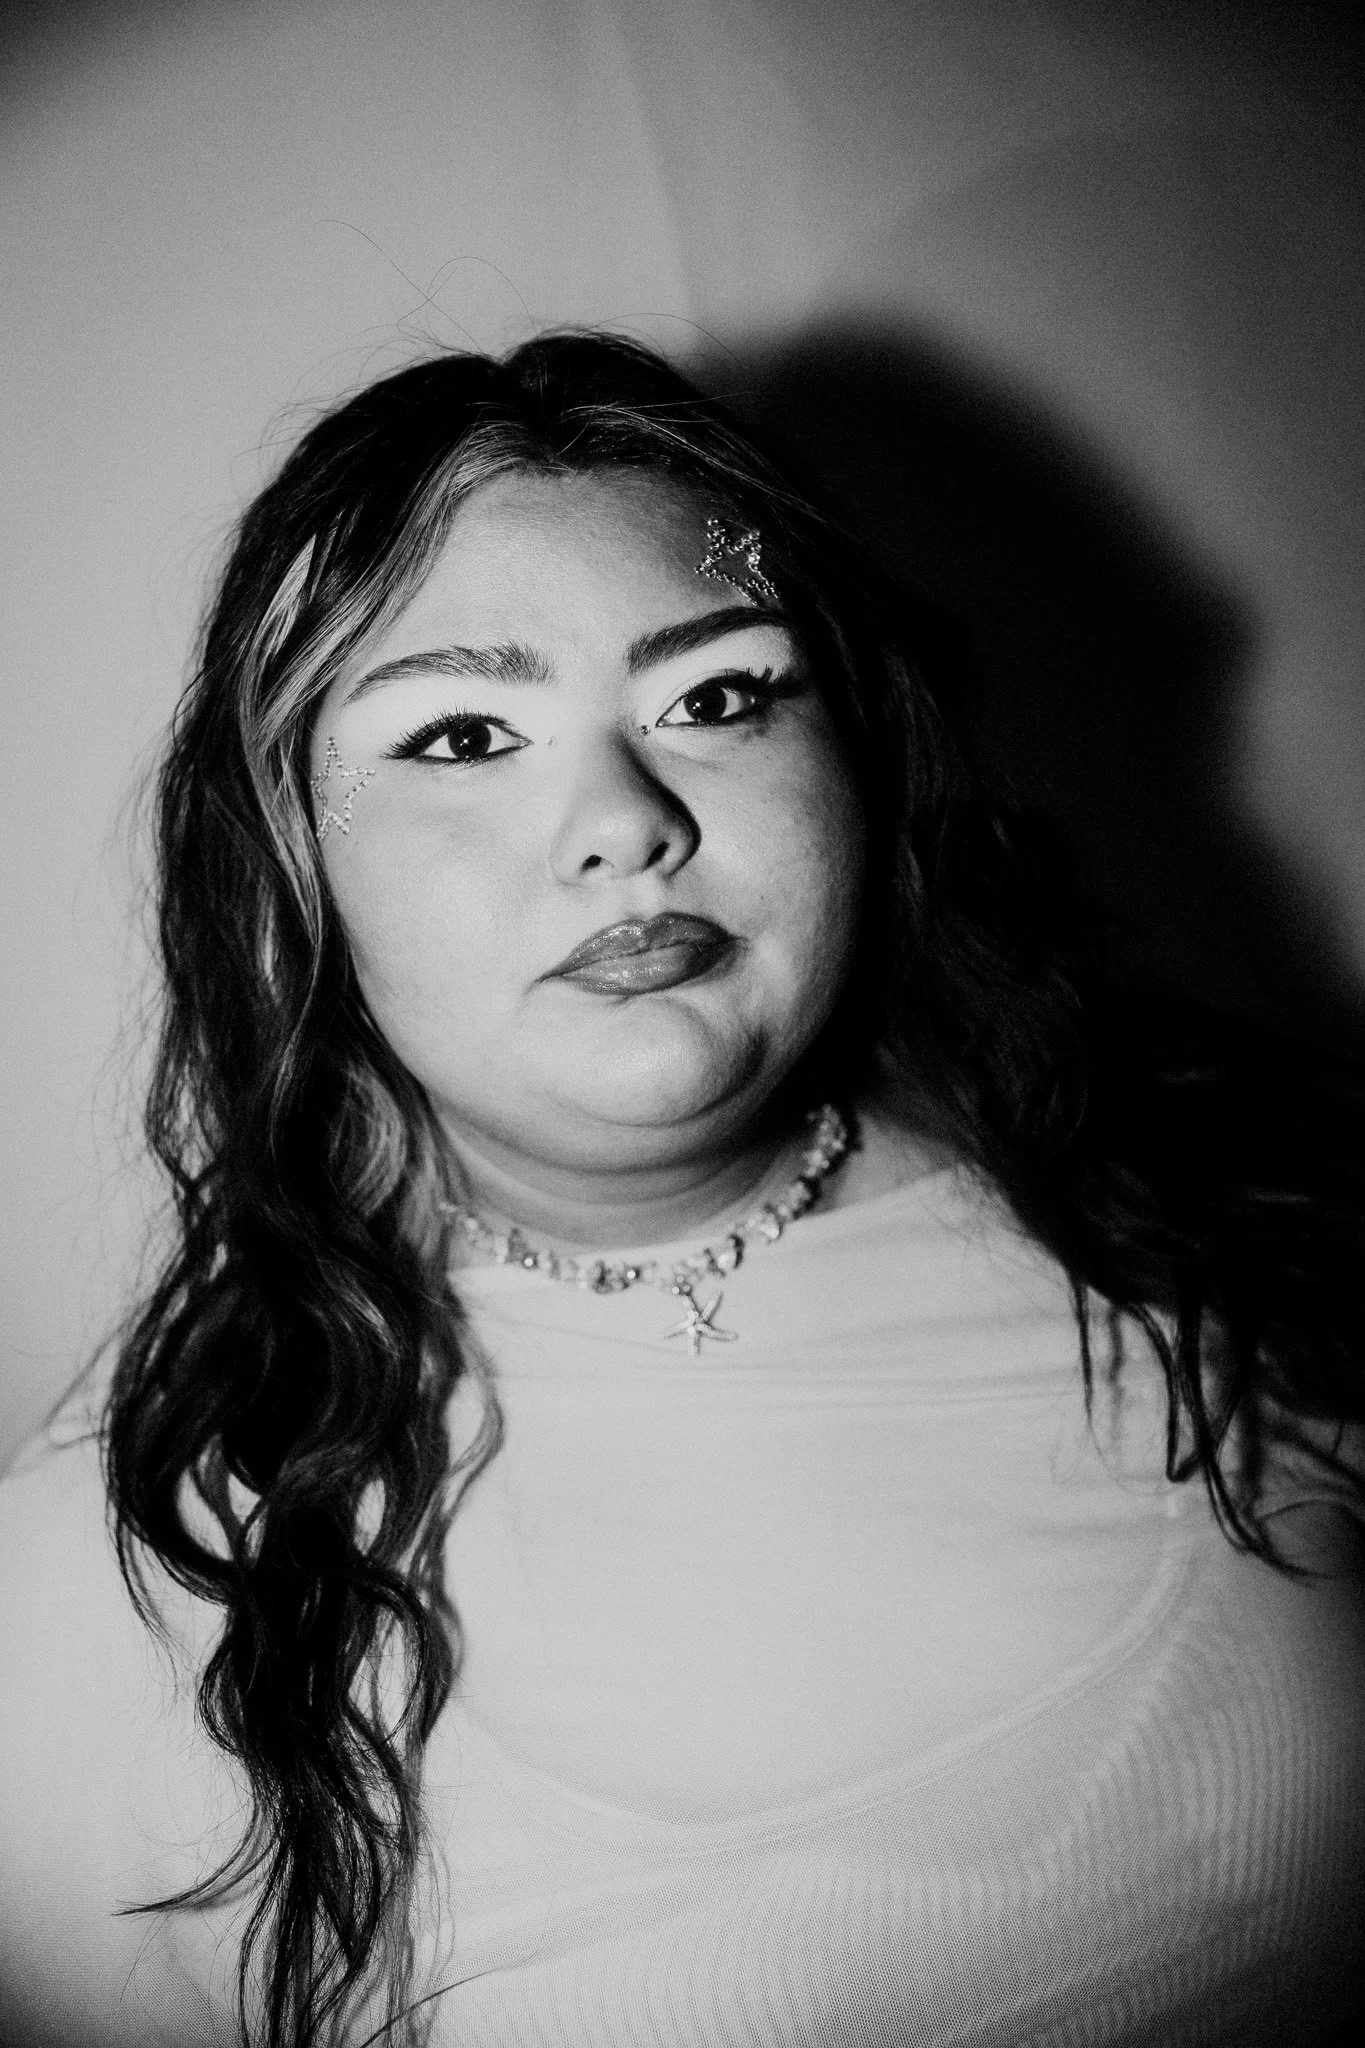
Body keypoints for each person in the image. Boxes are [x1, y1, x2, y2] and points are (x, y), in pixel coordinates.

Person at [1, 333, 1362, 2048]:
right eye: (462, 732)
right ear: (290, 863)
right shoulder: (114, 1583)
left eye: (718, 695)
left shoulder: (1246, 1216)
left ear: (861, 761)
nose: (623, 819)